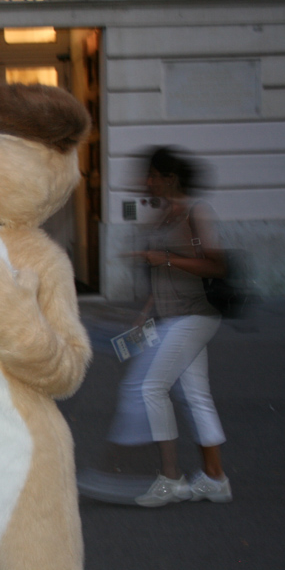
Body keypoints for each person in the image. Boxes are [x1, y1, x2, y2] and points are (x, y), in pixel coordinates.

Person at [110, 147, 231, 506]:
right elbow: (163, 274)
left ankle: (171, 479)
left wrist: (163, 257)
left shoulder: (196, 213)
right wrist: (146, 311)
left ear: (169, 179)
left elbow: (216, 266)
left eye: (152, 176)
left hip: (195, 315)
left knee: (151, 387)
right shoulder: (163, 216)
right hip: (171, 316)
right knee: (194, 395)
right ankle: (215, 478)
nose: (146, 182)